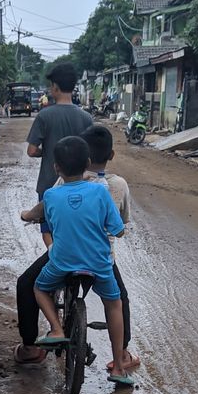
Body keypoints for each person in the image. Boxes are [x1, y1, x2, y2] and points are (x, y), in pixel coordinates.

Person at [17, 124, 138, 372]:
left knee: (27, 283)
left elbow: (44, 215)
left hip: (63, 254)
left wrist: (29, 217)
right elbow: (120, 225)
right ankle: (121, 355)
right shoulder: (117, 185)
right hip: (101, 258)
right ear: (108, 156)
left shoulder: (60, 185)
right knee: (119, 300)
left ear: (58, 166)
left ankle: (31, 346)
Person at [27, 63, 93, 246]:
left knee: (49, 231)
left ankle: (55, 264)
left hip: (49, 185)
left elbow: (31, 150)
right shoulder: (86, 118)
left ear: (55, 87)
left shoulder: (44, 116)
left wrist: (48, 151)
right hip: (80, 186)